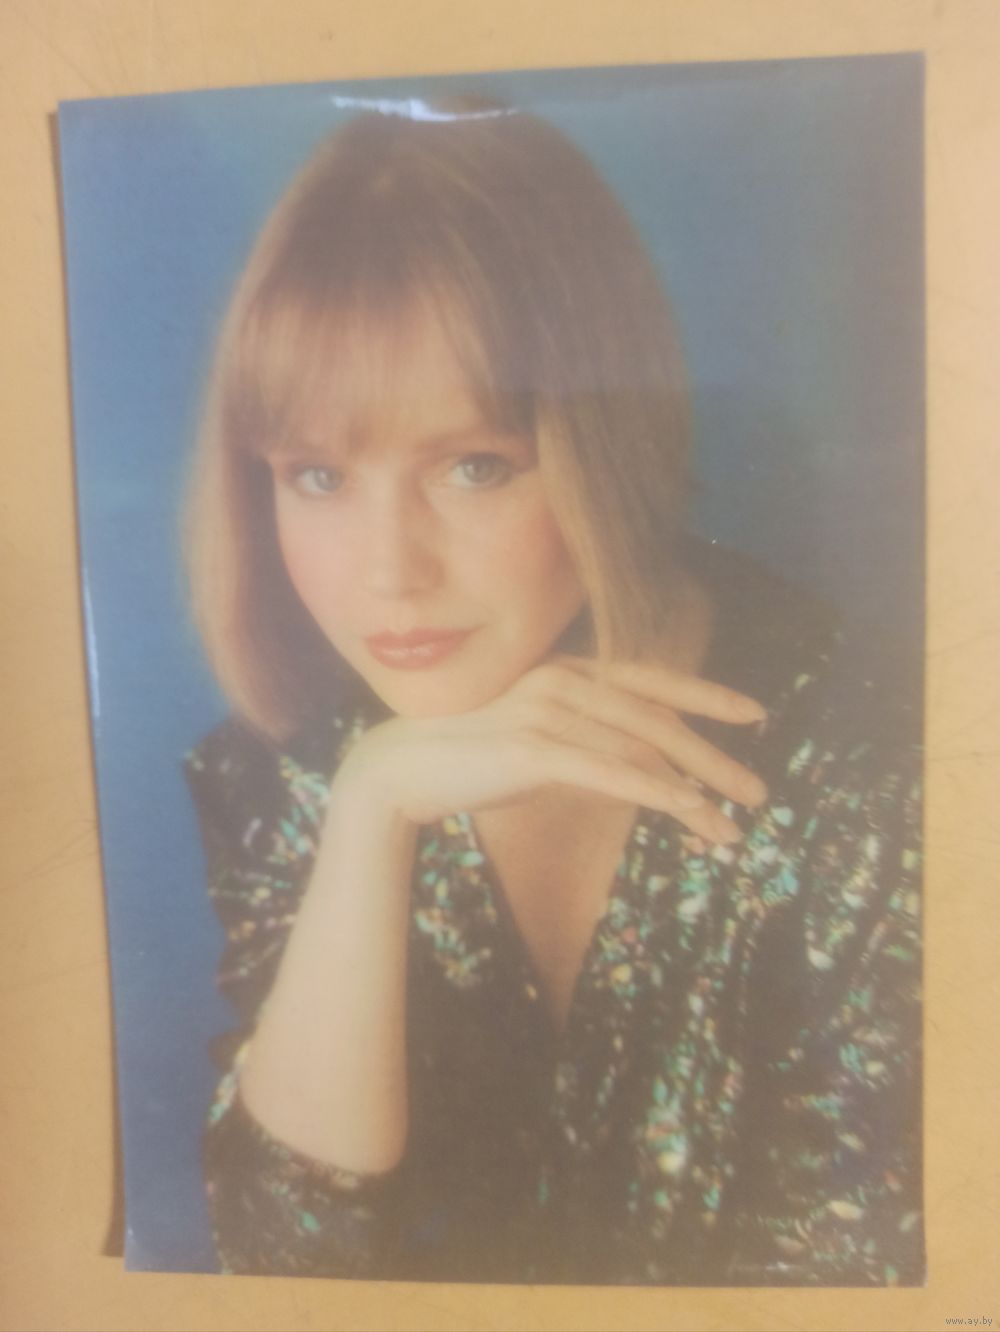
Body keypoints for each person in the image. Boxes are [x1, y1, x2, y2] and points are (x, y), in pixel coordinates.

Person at [182, 96, 923, 1285]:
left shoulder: (875, 763)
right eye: (317, 475)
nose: (388, 573)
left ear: (603, 446)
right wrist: (368, 810)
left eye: (473, 466)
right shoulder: (289, 772)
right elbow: (282, 1267)